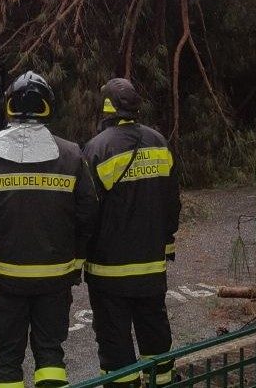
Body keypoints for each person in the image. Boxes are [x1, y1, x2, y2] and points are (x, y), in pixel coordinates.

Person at [0, 71, 99, 388]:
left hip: (7, 276)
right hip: (56, 276)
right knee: (51, 355)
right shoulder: (71, 154)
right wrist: (78, 259)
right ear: (48, 107)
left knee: (8, 357)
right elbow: (88, 210)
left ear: (9, 106)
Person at [83, 79, 181, 387]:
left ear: (107, 108)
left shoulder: (98, 148)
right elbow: (171, 202)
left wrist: (79, 252)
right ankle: (163, 382)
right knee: (155, 333)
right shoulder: (159, 142)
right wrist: (166, 241)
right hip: (151, 266)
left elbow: (86, 211)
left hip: (108, 271)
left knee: (114, 342)